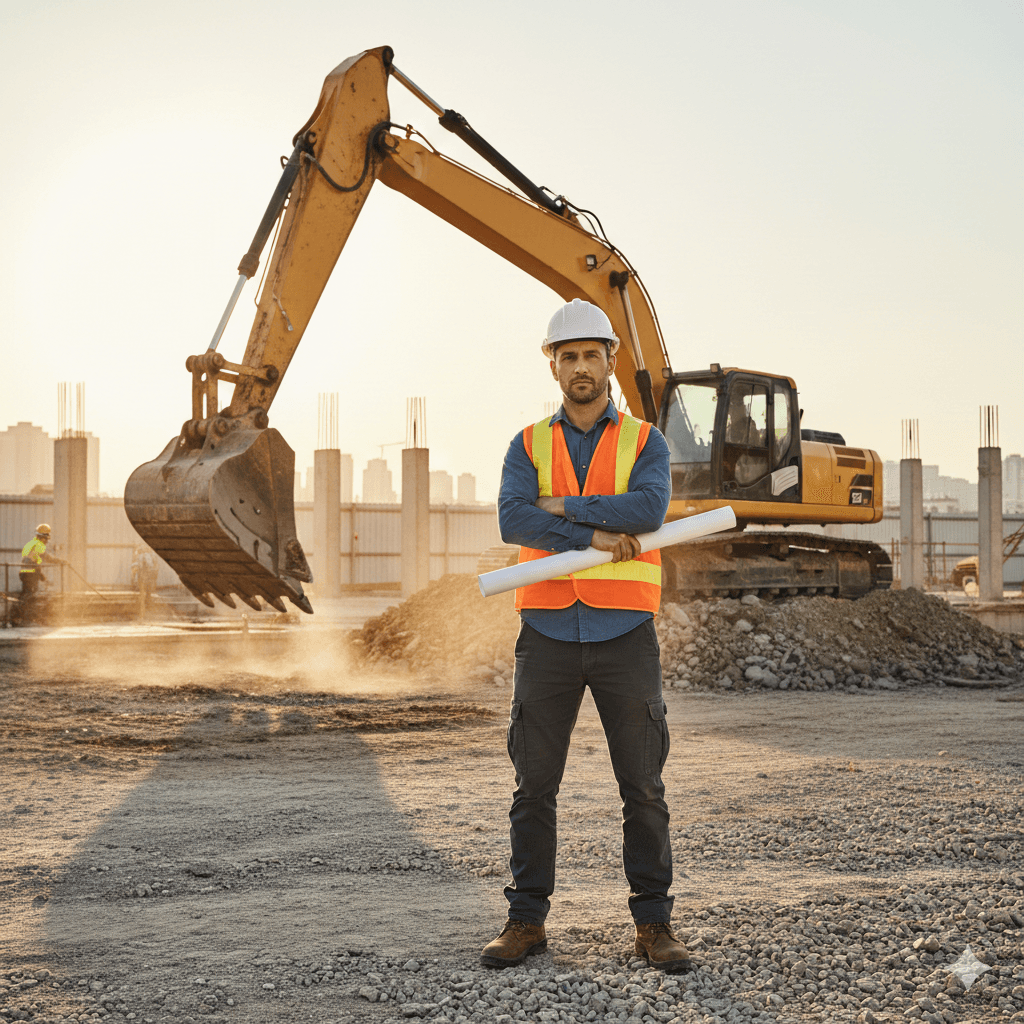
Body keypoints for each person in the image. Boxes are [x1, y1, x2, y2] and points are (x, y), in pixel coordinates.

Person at [483, 298, 689, 973]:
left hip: (625, 633)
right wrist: (596, 533)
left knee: (643, 786)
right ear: (553, 365)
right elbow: (514, 520)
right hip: (544, 630)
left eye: (589, 354)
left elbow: (648, 509)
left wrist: (563, 509)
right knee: (533, 787)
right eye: (566, 355)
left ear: (610, 361)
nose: (579, 366)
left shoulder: (645, 442)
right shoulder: (527, 443)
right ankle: (526, 921)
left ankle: (654, 924)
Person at [19, 523, 63, 599]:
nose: (46, 541)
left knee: (26, 594)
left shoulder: (31, 543)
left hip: (24, 573)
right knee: (31, 596)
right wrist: (61, 561)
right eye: (46, 538)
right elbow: (48, 558)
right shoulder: (39, 545)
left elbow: (30, 561)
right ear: (41, 537)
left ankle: (22, 608)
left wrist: (40, 574)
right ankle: (29, 609)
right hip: (31, 574)